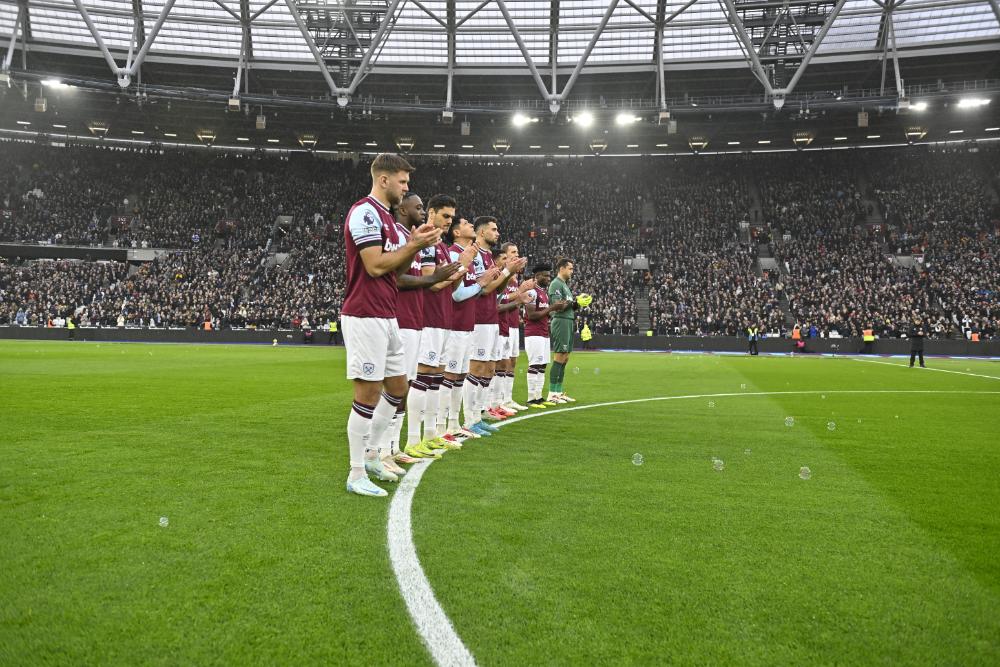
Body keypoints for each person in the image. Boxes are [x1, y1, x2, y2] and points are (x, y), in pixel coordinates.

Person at [341, 153, 441, 498]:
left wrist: (417, 245)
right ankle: (355, 473)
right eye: (402, 181)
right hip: (364, 314)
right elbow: (374, 266)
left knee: (398, 388)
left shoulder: (387, 219)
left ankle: (372, 455)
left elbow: (397, 271)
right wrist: (414, 244)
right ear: (384, 180)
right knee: (367, 394)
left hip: (386, 314)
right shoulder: (365, 212)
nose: (406, 187)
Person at [381, 192, 462, 468]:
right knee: (401, 386)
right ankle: (391, 447)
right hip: (410, 319)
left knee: (411, 384)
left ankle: (395, 447)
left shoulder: (428, 242)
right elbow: (413, 280)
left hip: (418, 321)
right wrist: (442, 277)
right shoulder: (409, 239)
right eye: (446, 216)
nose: (449, 222)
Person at [441, 217, 500, 441]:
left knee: (459, 376)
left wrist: (489, 279)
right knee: (449, 376)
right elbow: (457, 294)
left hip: (467, 323)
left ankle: (458, 423)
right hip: (456, 324)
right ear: (456, 232)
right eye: (466, 224)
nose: (470, 228)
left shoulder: (469, 254)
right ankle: (444, 427)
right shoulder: (455, 254)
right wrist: (481, 283)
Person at [465, 216, 526, 434]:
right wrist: (508, 272)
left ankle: (479, 413)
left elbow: (496, 291)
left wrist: (506, 276)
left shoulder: (488, 257)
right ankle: (469, 419)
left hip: (490, 319)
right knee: (477, 368)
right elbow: (484, 289)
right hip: (479, 319)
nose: (497, 233)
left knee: (489, 368)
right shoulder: (475, 255)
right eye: (493, 229)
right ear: (482, 233)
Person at [495, 241, 534, 414]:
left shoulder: (515, 276)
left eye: (517, 252)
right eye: (513, 252)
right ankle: (497, 401)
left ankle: (507, 399)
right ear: (504, 255)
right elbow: (500, 297)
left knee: (512, 361)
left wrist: (521, 294)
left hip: (512, 323)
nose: (516, 255)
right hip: (501, 323)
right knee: (500, 363)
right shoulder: (502, 274)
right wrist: (520, 292)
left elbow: (513, 299)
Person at [523, 263, 569, 408]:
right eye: (545, 275)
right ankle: (531, 398)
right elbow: (531, 315)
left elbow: (543, 313)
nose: (548, 278)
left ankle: (539, 396)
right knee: (535, 365)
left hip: (543, 333)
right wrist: (551, 308)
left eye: (549, 275)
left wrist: (556, 308)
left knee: (542, 366)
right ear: (536, 276)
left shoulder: (543, 292)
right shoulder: (532, 292)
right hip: (533, 333)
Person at [547, 257, 586, 403]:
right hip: (561, 321)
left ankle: (558, 391)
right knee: (559, 356)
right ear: (561, 268)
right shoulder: (556, 284)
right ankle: (552, 394)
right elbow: (557, 305)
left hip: (568, 321)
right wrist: (574, 302)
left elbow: (568, 305)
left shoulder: (565, 285)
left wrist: (577, 304)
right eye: (570, 268)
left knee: (565, 357)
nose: (572, 271)